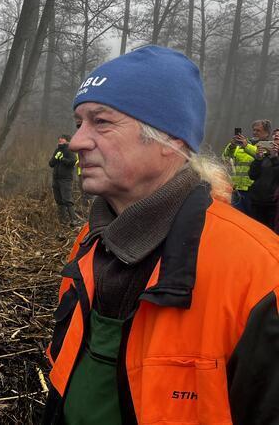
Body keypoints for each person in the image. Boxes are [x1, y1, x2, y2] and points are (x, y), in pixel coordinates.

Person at [42, 46, 279, 425]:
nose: (77, 141)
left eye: (101, 122)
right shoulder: (90, 238)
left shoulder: (259, 271)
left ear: (171, 138)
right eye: (78, 123)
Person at [222, 119, 272, 215]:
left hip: (253, 191)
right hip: (237, 189)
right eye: (254, 130)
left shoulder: (268, 146)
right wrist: (232, 145)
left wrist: (246, 146)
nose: (255, 132)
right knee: (235, 218)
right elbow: (226, 156)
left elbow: (261, 156)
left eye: (258, 130)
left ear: (266, 133)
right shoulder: (243, 144)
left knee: (250, 220)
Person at [248, 128, 279, 229]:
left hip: (273, 204)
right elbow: (252, 175)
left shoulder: (273, 157)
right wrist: (258, 159)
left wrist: (275, 158)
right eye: (274, 136)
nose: (276, 137)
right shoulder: (265, 156)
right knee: (255, 230)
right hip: (257, 201)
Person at [49, 134, 81, 227]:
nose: (59, 140)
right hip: (56, 178)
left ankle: (74, 220)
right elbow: (51, 164)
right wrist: (55, 158)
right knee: (58, 200)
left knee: (67, 199)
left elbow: (73, 161)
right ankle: (62, 221)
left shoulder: (70, 150)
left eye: (62, 139)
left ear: (67, 140)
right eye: (59, 139)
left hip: (65, 179)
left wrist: (62, 159)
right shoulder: (57, 150)